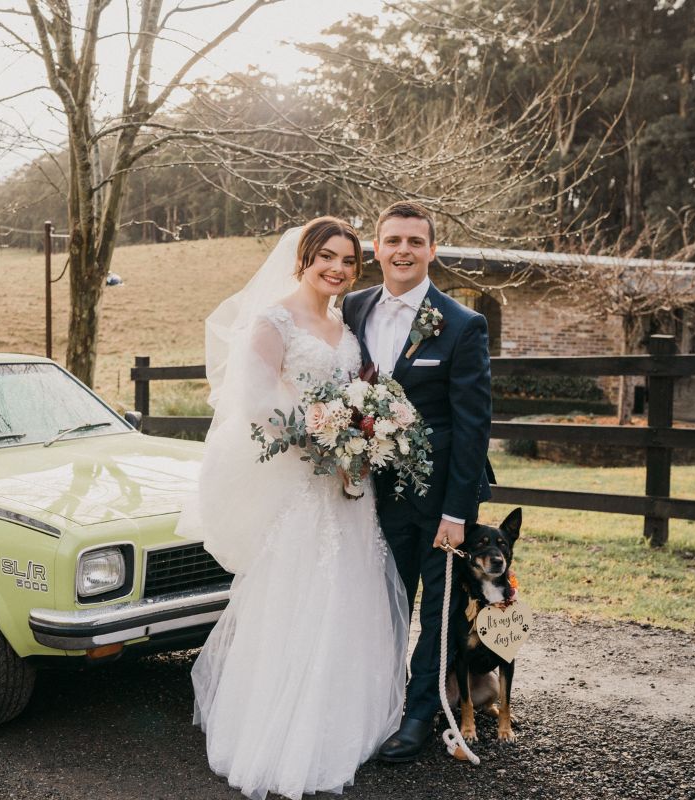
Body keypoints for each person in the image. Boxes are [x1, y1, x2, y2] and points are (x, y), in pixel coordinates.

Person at [177, 217, 410, 800]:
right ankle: (282, 738)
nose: (338, 268)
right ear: (303, 258)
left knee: (350, 600)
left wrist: (361, 437)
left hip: (350, 491)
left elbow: (358, 392)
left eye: (349, 262)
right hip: (304, 488)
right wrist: (320, 442)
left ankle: (342, 727)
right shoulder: (273, 319)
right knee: (300, 599)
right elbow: (254, 405)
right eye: (326, 257)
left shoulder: (342, 322)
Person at [341, 200, 494, 762]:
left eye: (415, 241)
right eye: (392, 240)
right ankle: (377, 702)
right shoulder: (351, 308)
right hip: (374, 497)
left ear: (431, 250)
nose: (403, 250)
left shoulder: (460, 323)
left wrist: (458, 513)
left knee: (440, 611)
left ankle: (421, 712)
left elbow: (474, 426)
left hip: (441, 503)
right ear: (376, 248)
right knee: (381, 604)